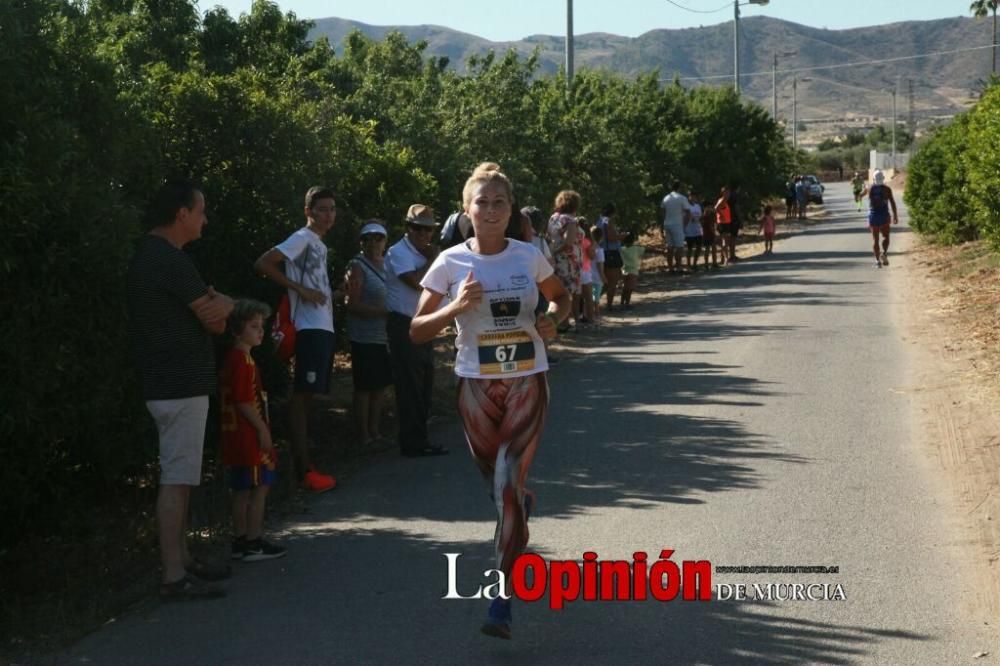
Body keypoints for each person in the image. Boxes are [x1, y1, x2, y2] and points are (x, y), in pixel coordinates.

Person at [410, 162, 570, 640]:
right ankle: (520, 507)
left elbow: (561, 298)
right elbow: (416, 330)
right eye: (483, 202)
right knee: (500, 492)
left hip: (527, 379)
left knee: (504, 484)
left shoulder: (528, 256)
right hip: (475, 384)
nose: (492, 209)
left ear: (511, 208)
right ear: (467, 209)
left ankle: (501, 600)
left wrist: (553, 320)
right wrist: (456, 306)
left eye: (501, 202)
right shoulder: (449, 262)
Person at [127, 179, 234, 600]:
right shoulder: (170, 260)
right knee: (176, 477)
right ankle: (174, 574)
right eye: (201, 210)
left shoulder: (150, 255)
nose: (205, 219)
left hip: (168, 383)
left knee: (183, 475)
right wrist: (224, 305)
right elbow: (217, 320)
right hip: (178, 385)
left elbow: (211, 313)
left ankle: (184, 560)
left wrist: (219, 306)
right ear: (182, 214)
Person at [254, 187, 338, 493]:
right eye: (322, 209)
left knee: (308, 396)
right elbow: (264, 262)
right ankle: (302, 471)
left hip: (321, 326)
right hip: (308, 328)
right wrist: (299, 290)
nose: (328, 215)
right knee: (301, 397)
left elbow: (315, 287)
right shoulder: (302, 238)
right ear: (308, 212)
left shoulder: (318, 244)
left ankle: (306, 467)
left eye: (332, 209)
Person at [220, 299, 287, 562]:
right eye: (253, 326)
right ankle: (253, 540)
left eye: (261, 326)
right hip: (249, 437)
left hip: (235, 437)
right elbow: (243, 401)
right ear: (237, 330)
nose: (260, 331)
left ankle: (241, 540)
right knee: (259, 488)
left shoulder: (234, 359)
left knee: (242, 489)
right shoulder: (243, 362)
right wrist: (262, 430)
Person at [385, 204, 447, 457]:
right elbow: (418, 283)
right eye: (418, 228)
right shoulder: (398, 252)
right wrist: (434, 258)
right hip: (403, 324)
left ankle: (420, 438)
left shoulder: (425, 251)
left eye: (428, 229)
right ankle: (412, 442)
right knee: (410, 384)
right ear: (407, 228)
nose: (423, 233)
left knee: (425, 381)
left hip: (423, 323)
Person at [345, 220, 392, 446]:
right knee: (365, 387)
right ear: (361, 242)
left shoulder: (388, 264)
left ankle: (376, 431)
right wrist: (382, 312)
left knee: (380, 386)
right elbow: (351, 304)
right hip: (364, 337)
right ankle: (363, 435)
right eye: (368, 238)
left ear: (385, 240)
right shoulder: (357, 266)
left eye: (378, 237)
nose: (373, 242)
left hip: (384, 337)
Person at [547, 191, 582, 330]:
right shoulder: (571, 221)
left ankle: (557, 322)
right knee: (566, 293)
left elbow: (549, 237)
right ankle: (564, 323)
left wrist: (552, 253)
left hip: (553, 260)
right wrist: (558, 252)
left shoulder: (553, 218)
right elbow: (569, 242)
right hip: (568, 262)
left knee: (557, 291)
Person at [863, 169, 899, 268]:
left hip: (873, 216)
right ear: (883, 178)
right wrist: (895, 215)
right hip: (884, 216)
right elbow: (892, 202)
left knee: (875, 239)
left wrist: (859, 197)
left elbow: (861, 195)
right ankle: (884, 253)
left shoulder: (869, 188)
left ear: (873, 179)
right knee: (886, 237)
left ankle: (877, 261)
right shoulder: (887, 189)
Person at [594, 204, 623, 312]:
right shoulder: (607, 221)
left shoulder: (599, 220)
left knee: (603, 280)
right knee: (612, 281)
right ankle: (609, 305)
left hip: (602, 252)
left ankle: (595, 302)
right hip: (611, 253)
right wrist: (621, 236)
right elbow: (611, 237)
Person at [660, 181, 690, 274]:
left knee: (670, 247)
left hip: (667, 224)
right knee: (679, 246)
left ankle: (670, 268)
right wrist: (685, 225)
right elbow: (688, 212)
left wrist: (663, 223)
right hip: (677, 224)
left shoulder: (666, 198)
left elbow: (662, 211)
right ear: (679, 188)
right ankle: (679, 267)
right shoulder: (681, 198)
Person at [619, 231, 646, 308]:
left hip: (624, 270)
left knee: (625, 288)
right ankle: (627, 303)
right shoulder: (636, 248)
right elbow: (645, 250)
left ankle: (622, 302)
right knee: (630, 289)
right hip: (633, 271)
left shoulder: (621, 249)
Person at [590, 225, 606, 322]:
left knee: (591, 296)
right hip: (597, 277)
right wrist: (603, 277)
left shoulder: (589, 249)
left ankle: (592, 313)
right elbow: (600, 266)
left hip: (589, 276)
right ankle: (597, 314)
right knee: (596, 297)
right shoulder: (599, 250)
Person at [684, 193, 704, 271]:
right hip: (689, 231)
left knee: (699, 247)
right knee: (690, 248)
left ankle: (695, 264)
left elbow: (701, 216)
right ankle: (688, 265)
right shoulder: (686, 207)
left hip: (697, 230)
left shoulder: (697, 206)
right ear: (688, 197)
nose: (693, 198)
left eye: (694, 196)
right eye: (691, 196)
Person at [714, 186, 732, 263]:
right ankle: (726, 259)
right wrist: (721, 214)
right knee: (725, 241)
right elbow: (716, 208)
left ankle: (723, 258)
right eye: (726, 192)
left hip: (726, 222)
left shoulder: (725, 201)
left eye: (728, 192)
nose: (728, 194)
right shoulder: (722, 200)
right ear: (723, 193)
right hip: (722, 223)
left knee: (724, 241)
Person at [726, 183, 744, 263]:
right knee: (733, 238)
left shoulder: (726, 196)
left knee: (728, 238)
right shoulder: (734, 196)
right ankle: (732, 255)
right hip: (734, 219)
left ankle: (729, 256)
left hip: (726, 219)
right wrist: (740, 220)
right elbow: (737, 209)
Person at [700, 200, 719, 269]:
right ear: (705, 207)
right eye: (709, 206)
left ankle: (711, 263)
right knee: (709, 248)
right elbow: (710, 225)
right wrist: (714, 233)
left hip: (706, 233)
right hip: (708, 234)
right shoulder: (705, 216)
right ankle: (709, 264)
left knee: (712, 248)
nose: (711, 208)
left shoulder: (708, 215)